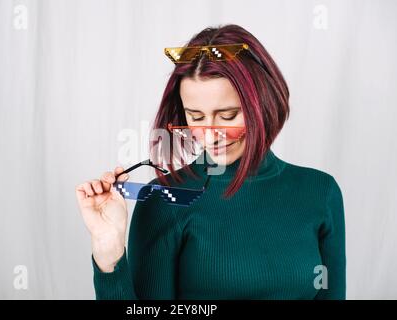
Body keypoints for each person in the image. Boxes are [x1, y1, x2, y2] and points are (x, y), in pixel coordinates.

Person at [75, 24, 346, 299]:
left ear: (263, 104)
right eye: (196, 116)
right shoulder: (163, 200)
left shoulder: (320, 192)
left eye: (228, 116)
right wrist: (108, 255)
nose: (211, 134)